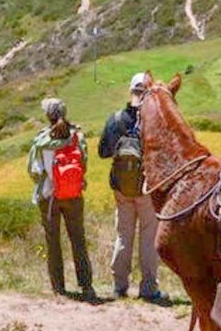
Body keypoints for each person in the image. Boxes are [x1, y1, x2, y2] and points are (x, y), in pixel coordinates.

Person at [99, 73, 163, 301]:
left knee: (123, 236)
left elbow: (103, 152)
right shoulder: (154, 121)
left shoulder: (116, 119)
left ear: (130, 91)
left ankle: (119, 287)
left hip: (121, 188)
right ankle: (148, 288)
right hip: (146, 188)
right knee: (148, 237)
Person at [27, 98, 94, 299]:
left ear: (48, 115)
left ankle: (59, 287)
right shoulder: (77, 137)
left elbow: (34, 171)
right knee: (78, 240)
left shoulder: (41, 141)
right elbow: (83, 165)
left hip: (50, 198)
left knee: (53, 242)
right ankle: (86, 285)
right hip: (74, 196)